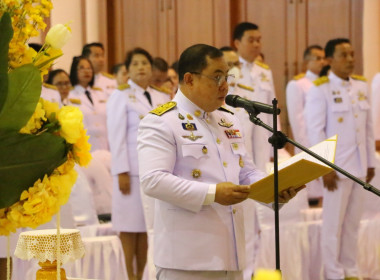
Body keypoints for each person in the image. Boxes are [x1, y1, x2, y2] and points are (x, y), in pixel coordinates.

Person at [137, 44, 302, 280]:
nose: (225, 85)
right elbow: (153, 181)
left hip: (231, 255)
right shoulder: (161, 122)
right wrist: (212, 193)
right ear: (189, 79)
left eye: (227, 76)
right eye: (216, 77)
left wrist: (272, 190)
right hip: (187, 260)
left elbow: (245, 172)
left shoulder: (228, 119)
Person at [305, 38, 375, 280]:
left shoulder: (360, 86)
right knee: (332, 227)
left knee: (353, 224)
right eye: (344, 55)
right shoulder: (320, 89)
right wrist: (324, 167)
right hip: (336, 168)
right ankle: (334, 274)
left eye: (352, 54)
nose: (350, 59)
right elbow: (315, 131)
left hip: (359, 167)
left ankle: (350, 270)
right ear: (330, 59)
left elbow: (367, 129)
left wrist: (370, 163)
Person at [107, 47, 170, 280]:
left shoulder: (162, 97)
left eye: (145, 63)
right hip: (131, 173)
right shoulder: (120, 95)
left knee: (147, 228)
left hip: (156, 170)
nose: (141, 67)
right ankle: (129, 275)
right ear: (127, 70)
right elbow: (116, 136)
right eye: (135, 64)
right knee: (129, 227)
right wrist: (121, 170)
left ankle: (142, 275)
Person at [233, 22, 277, 172]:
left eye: (259, 40)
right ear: (237, 43)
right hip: (239, 131)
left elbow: (273, 108)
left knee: (262, 173)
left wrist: (274, 143)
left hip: (262, 130)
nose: (257, 45)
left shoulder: (264, 72)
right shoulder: (229, 69)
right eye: (251, 40)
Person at [286, 45, 326, 206]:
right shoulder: (298, 85)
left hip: (326, 144)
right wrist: (309, 152)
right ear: (306, 62)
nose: (322, 62)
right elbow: (298, 123)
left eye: (324, 58)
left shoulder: (327, 84)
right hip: (309, 146)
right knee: (312, 198)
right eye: (318, 58)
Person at [68, 56, 109, 151]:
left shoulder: (101, 93)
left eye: (89, 68)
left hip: (104, 146)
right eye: (82, 68)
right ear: (74, 71)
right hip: (84, 148)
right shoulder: (69, 95)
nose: (86, 71)